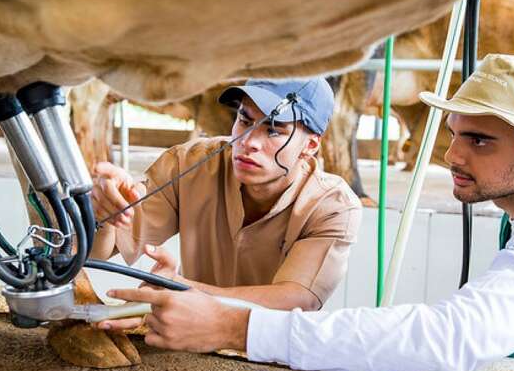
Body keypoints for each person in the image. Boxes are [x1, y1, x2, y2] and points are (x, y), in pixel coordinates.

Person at [109, 54, 514, 371]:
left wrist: (233, 327)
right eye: (454, 134)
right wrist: (100, 210)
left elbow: (451, 338)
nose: (452, 157)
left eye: (480, 141)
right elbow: (114, 244)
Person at [91, 78, 362, 331]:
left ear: (310, 146)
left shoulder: (333, 206)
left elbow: (296, 299)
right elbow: (98, 253)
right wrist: (102, 215)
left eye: (273, 131)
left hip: (273, 350)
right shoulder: (190, 163)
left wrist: (183, 292)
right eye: (245, 120)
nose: (248, 142)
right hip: (185, 339)